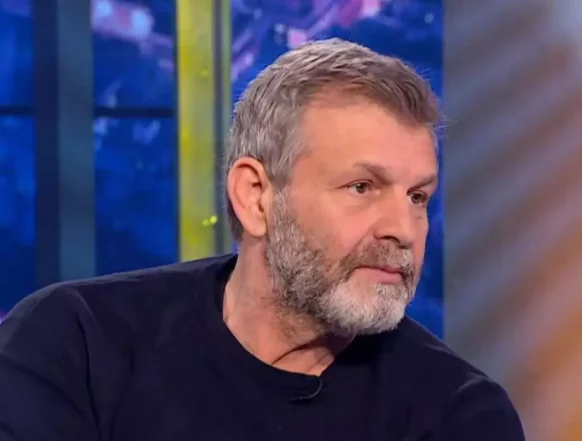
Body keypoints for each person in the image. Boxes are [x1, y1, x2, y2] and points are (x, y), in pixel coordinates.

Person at [0, 38, 524, 440]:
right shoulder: (75, 346)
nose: (403, 229)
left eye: (418, 197)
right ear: (256, 198)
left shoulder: (458, 416)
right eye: (362, 187)